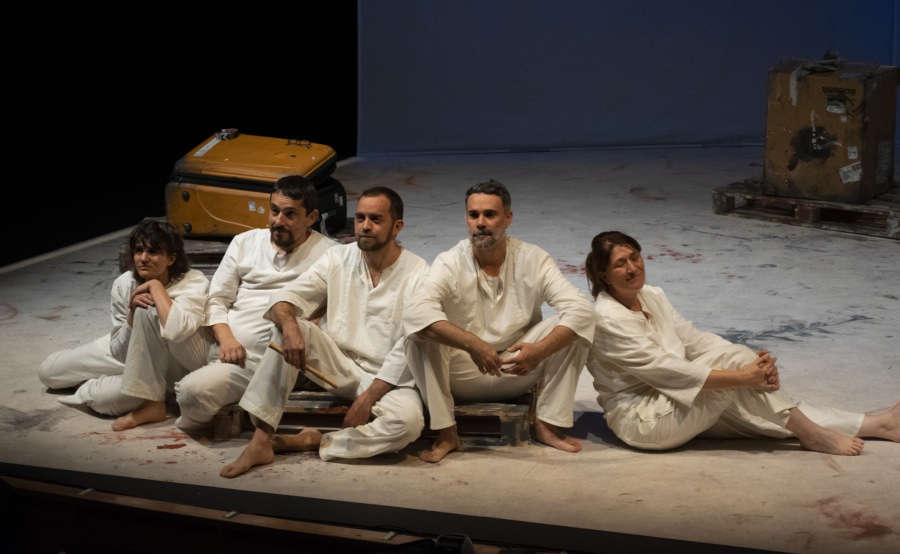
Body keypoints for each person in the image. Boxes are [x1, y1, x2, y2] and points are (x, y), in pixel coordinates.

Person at [583, 230, 900, 455]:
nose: (633, 268)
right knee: (742, 376)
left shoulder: (652, 295)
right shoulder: (608, 318)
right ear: (604, 275)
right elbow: (666, 371)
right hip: (644, 420)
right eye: (621, 263)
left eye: (635, 257)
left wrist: (751, 363)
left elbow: (695, 340)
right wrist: (742, 375)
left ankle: (879, 425)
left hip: (677, 401)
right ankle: (815, 436)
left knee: (763, 413)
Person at [220, 186, 429, 478]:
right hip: (339, 364)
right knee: (287, 329)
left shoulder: (418, 272)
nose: (365, 226)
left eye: (376, 219)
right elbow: (284, 298)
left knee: (407, 425)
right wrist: (290, 325)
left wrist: (367, 399)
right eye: (360, 218)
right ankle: (260, 441)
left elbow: (410, 344)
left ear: (397, 227)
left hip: (387, 379)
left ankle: (318, 441)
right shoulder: (338, 258)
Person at [113, 175, 336, 432]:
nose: (278, 221)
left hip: (262, 364)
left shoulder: (330, 253)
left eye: (290, 214)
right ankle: (150, 401)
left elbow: (341, 304)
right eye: (274, 211)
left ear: (311, 217)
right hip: (216, 344)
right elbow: (217, 298)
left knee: (191, 393)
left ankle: (195, 403)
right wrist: (226, 338)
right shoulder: (245, 242)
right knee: (148, 307)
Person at [403, 180, 595, 463]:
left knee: (576, 322)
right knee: (418, 334)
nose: (480, 223)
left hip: (518, 366)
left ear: (508, 218)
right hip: (463, 374)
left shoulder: (533, 258)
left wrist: (540, 350)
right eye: (474, 215)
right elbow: (415, 312)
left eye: (490, 215)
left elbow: (581, 309)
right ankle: (446, 432)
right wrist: (473, 344)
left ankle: (547, 423)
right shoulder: (450, 261)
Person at [39, 219, 208, 417]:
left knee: (103, 400)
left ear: (171, 259)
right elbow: (120, 352)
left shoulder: (192, 281)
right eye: (138, 251)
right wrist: (131, 314)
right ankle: (109, 378)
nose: (143, 258)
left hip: (172, 362)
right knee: (49, 373)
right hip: (130, 349)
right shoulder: (124, 283)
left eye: (153, 252)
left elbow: (178, 331)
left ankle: (150, 393)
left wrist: (156, 287)